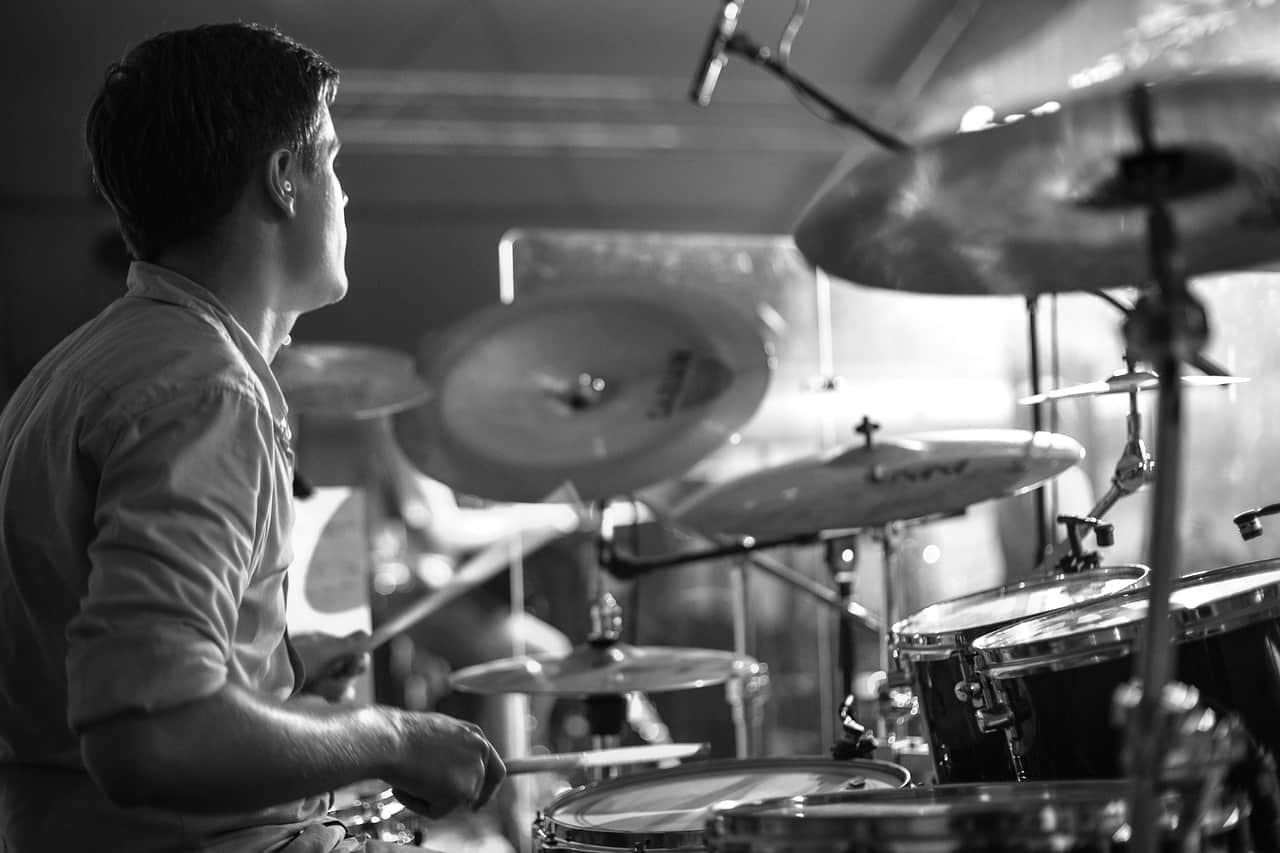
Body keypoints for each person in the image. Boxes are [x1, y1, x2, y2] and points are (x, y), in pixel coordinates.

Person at [0, 21, 504, 853]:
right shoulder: (205, 389)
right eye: (331, 160)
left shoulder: (78, 369)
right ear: (283, 180)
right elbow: (148, 737)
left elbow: (90, 679)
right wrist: (390, 735)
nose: (345, 193)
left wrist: (283, 669)